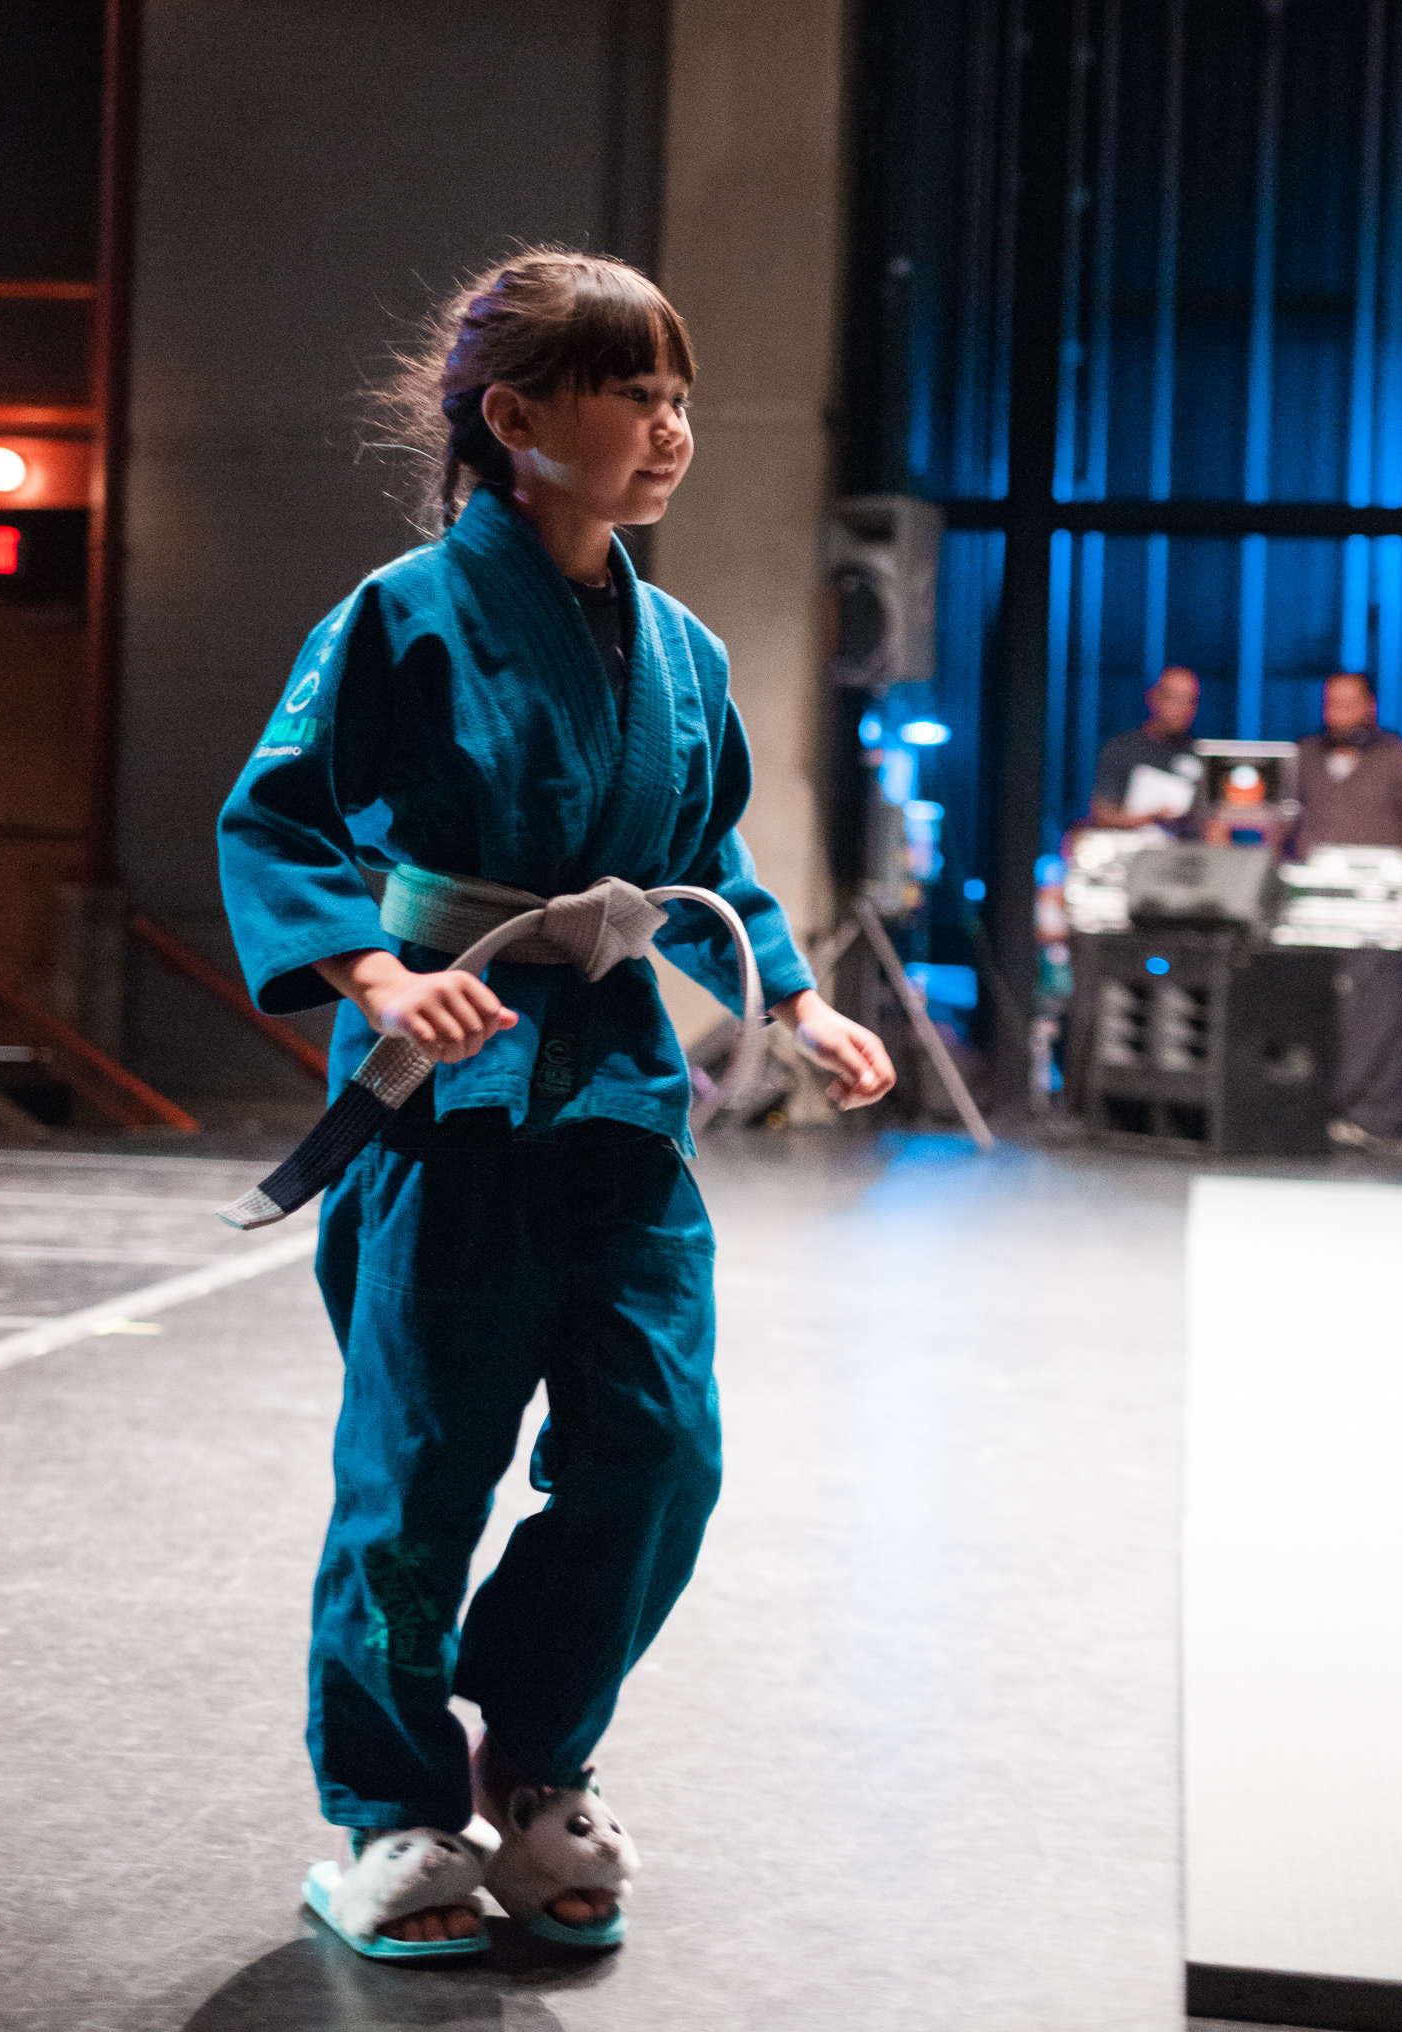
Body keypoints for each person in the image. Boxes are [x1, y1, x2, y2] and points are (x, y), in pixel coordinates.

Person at [216, 249, 895, 1959]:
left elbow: (704, 850)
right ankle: (389, 1813)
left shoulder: (683, 650)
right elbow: (279, 821)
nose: (671, 428)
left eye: (679, 396)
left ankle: (532, 1761)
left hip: (620, 1101)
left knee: (661, 1449)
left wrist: (796, 998)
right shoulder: (400, 615)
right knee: (420, 1472)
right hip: (446, 1106)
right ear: (517, 418)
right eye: (633, 394)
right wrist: (379, 980)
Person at [1294, 671, 1402, 1158]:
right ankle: (1305, 1108)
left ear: (1369, 706)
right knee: (1307, 1006)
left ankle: (1375, 1119)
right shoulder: (1304, 755)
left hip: (1375, 910)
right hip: (1310, 908)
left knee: (1377, 1014)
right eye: (1329, 703)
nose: (1336, 714)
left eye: (1347, 704)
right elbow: (1276, 819)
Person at [1090, 666, 1205, 832]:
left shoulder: (1201, 753)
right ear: (1154, 698)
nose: (1184, 707)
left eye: (1191, 700)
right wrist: (1152, 817)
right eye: (1175, 698)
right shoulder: (1122, 749)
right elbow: (1102, 814)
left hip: (1188, 847)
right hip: (1130, 844)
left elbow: (1211, 818)